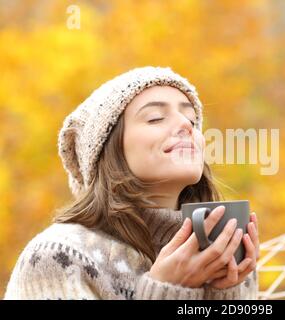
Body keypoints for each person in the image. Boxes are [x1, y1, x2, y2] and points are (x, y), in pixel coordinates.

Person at [4, 66, 259, 300]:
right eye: (156, 118)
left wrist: (224, 292)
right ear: (108, 149)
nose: (185, 125)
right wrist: (165, 291)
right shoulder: (57, 256)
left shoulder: (221, 254)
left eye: (192, 121)